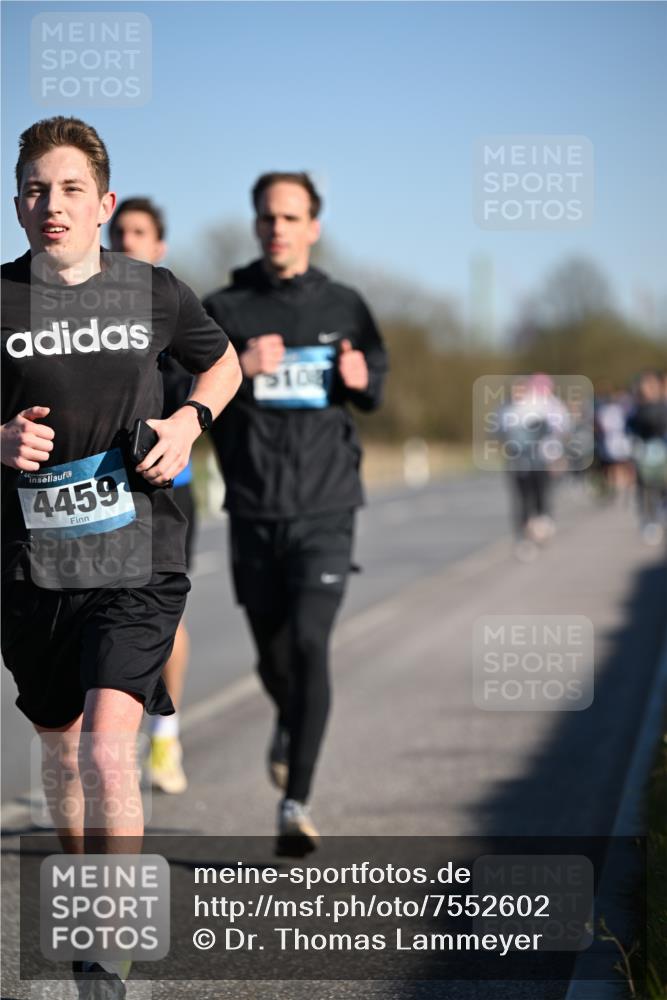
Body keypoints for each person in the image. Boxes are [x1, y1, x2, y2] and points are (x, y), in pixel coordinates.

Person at [1, 116, 241, 994]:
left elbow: (221, 369)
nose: (50, 205)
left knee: (108, 754)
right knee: (61, 757)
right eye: (33, 188)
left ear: (102, 204)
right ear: (16, 203)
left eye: (69, 189)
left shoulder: (153, 292)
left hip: (138, 557)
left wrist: (187, 421)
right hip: (30, 569)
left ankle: (110, 946)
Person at [203, 172, 388, 855]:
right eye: (266, 217)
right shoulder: (224, 308)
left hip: (326, 506)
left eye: (290, 217)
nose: (277, 228)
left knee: (311, 645)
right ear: (255, 225)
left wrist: (364, 382)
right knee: (274, 659)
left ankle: (295, 801)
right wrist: (239, 365)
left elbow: (375, 378)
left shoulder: (344, 303)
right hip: (253, 507)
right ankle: (289, 720)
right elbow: (179, 392)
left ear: (313, 225)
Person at [109, 197, 195, 794]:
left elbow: (210, 379)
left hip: (166, 488)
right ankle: (103, 752)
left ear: (158, 246)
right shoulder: (84, 310)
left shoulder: (169, 305)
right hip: (97, 491)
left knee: (164, 617)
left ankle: (165, 736)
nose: (128, 241)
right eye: (121, 233)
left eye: (140, 233)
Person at [499, 373, 570, 560]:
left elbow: (555, 430)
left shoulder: (539, 407)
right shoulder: (505, 411)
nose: (518, 393)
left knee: (540, 495)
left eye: (522, 389)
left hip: (539, 462)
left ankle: (542, 524)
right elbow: (500, 434)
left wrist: (556, 455)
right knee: (522, 501)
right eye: (515, 389)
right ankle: (523, 539)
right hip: (517, 463)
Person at [626, 370, 667, 545]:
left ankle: (659, 515)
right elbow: (630, 429)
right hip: (645, 453)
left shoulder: (662, 406)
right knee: (646, 488)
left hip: (663, 450)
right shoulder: (637, 409)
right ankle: (650, 521)